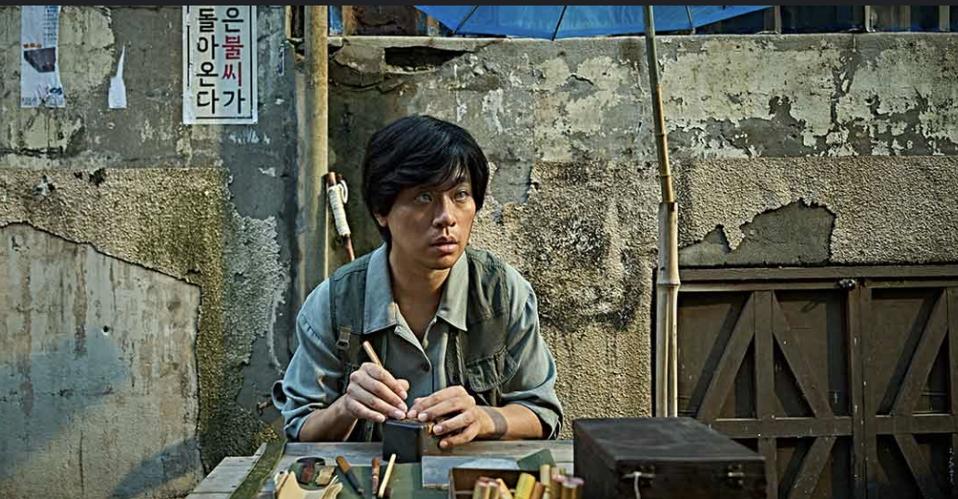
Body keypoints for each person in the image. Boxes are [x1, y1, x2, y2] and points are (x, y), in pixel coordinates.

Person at [272, 115, 562, 448]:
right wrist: (346, 408)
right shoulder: (335, 303)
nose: (446, 217)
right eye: (424, 197)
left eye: (460, 195)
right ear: (381, 211)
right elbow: (299, 429)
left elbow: (542, 413)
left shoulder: (502, 293)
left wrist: (483, 419)